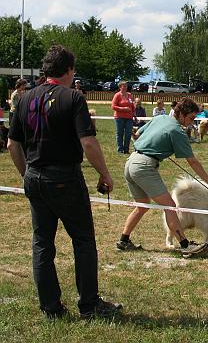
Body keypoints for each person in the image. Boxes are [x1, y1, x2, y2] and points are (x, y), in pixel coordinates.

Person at [7, 45, 122, 319]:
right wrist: (105, 174)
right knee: (83, 240)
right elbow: (88, 142)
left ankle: (51, 308)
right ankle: (89, 304)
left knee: (42, 244)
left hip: (34, 176)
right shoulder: (74, 98)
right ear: (69, 70)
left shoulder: (23, 100)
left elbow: (13, 144)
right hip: (65, 178)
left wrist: (26, 175)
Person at [117, 98, 208, 256]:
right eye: (191, 118)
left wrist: (151, 146)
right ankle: (185, 245)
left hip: (131, 162)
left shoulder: (160, 118)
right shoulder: (178, 131)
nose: (191, 122)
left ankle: (123, 240)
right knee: (170, 206)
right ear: (181, 114)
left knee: (142, 205)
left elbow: (137, 134)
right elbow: (192, 162)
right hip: (144, 167)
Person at [111, 81, 135, 154]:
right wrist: (123, 109)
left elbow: (132, 106)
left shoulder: (130, 95)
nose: (125, 87)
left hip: (129, 117)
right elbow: (113, 106)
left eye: (126, 86)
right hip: (119, 117)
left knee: (128, 133)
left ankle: (126, 149)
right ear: (120, 87)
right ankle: (120, 149)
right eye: (123, 86)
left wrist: (134, 115)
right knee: (120, 133)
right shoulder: (117, 95)